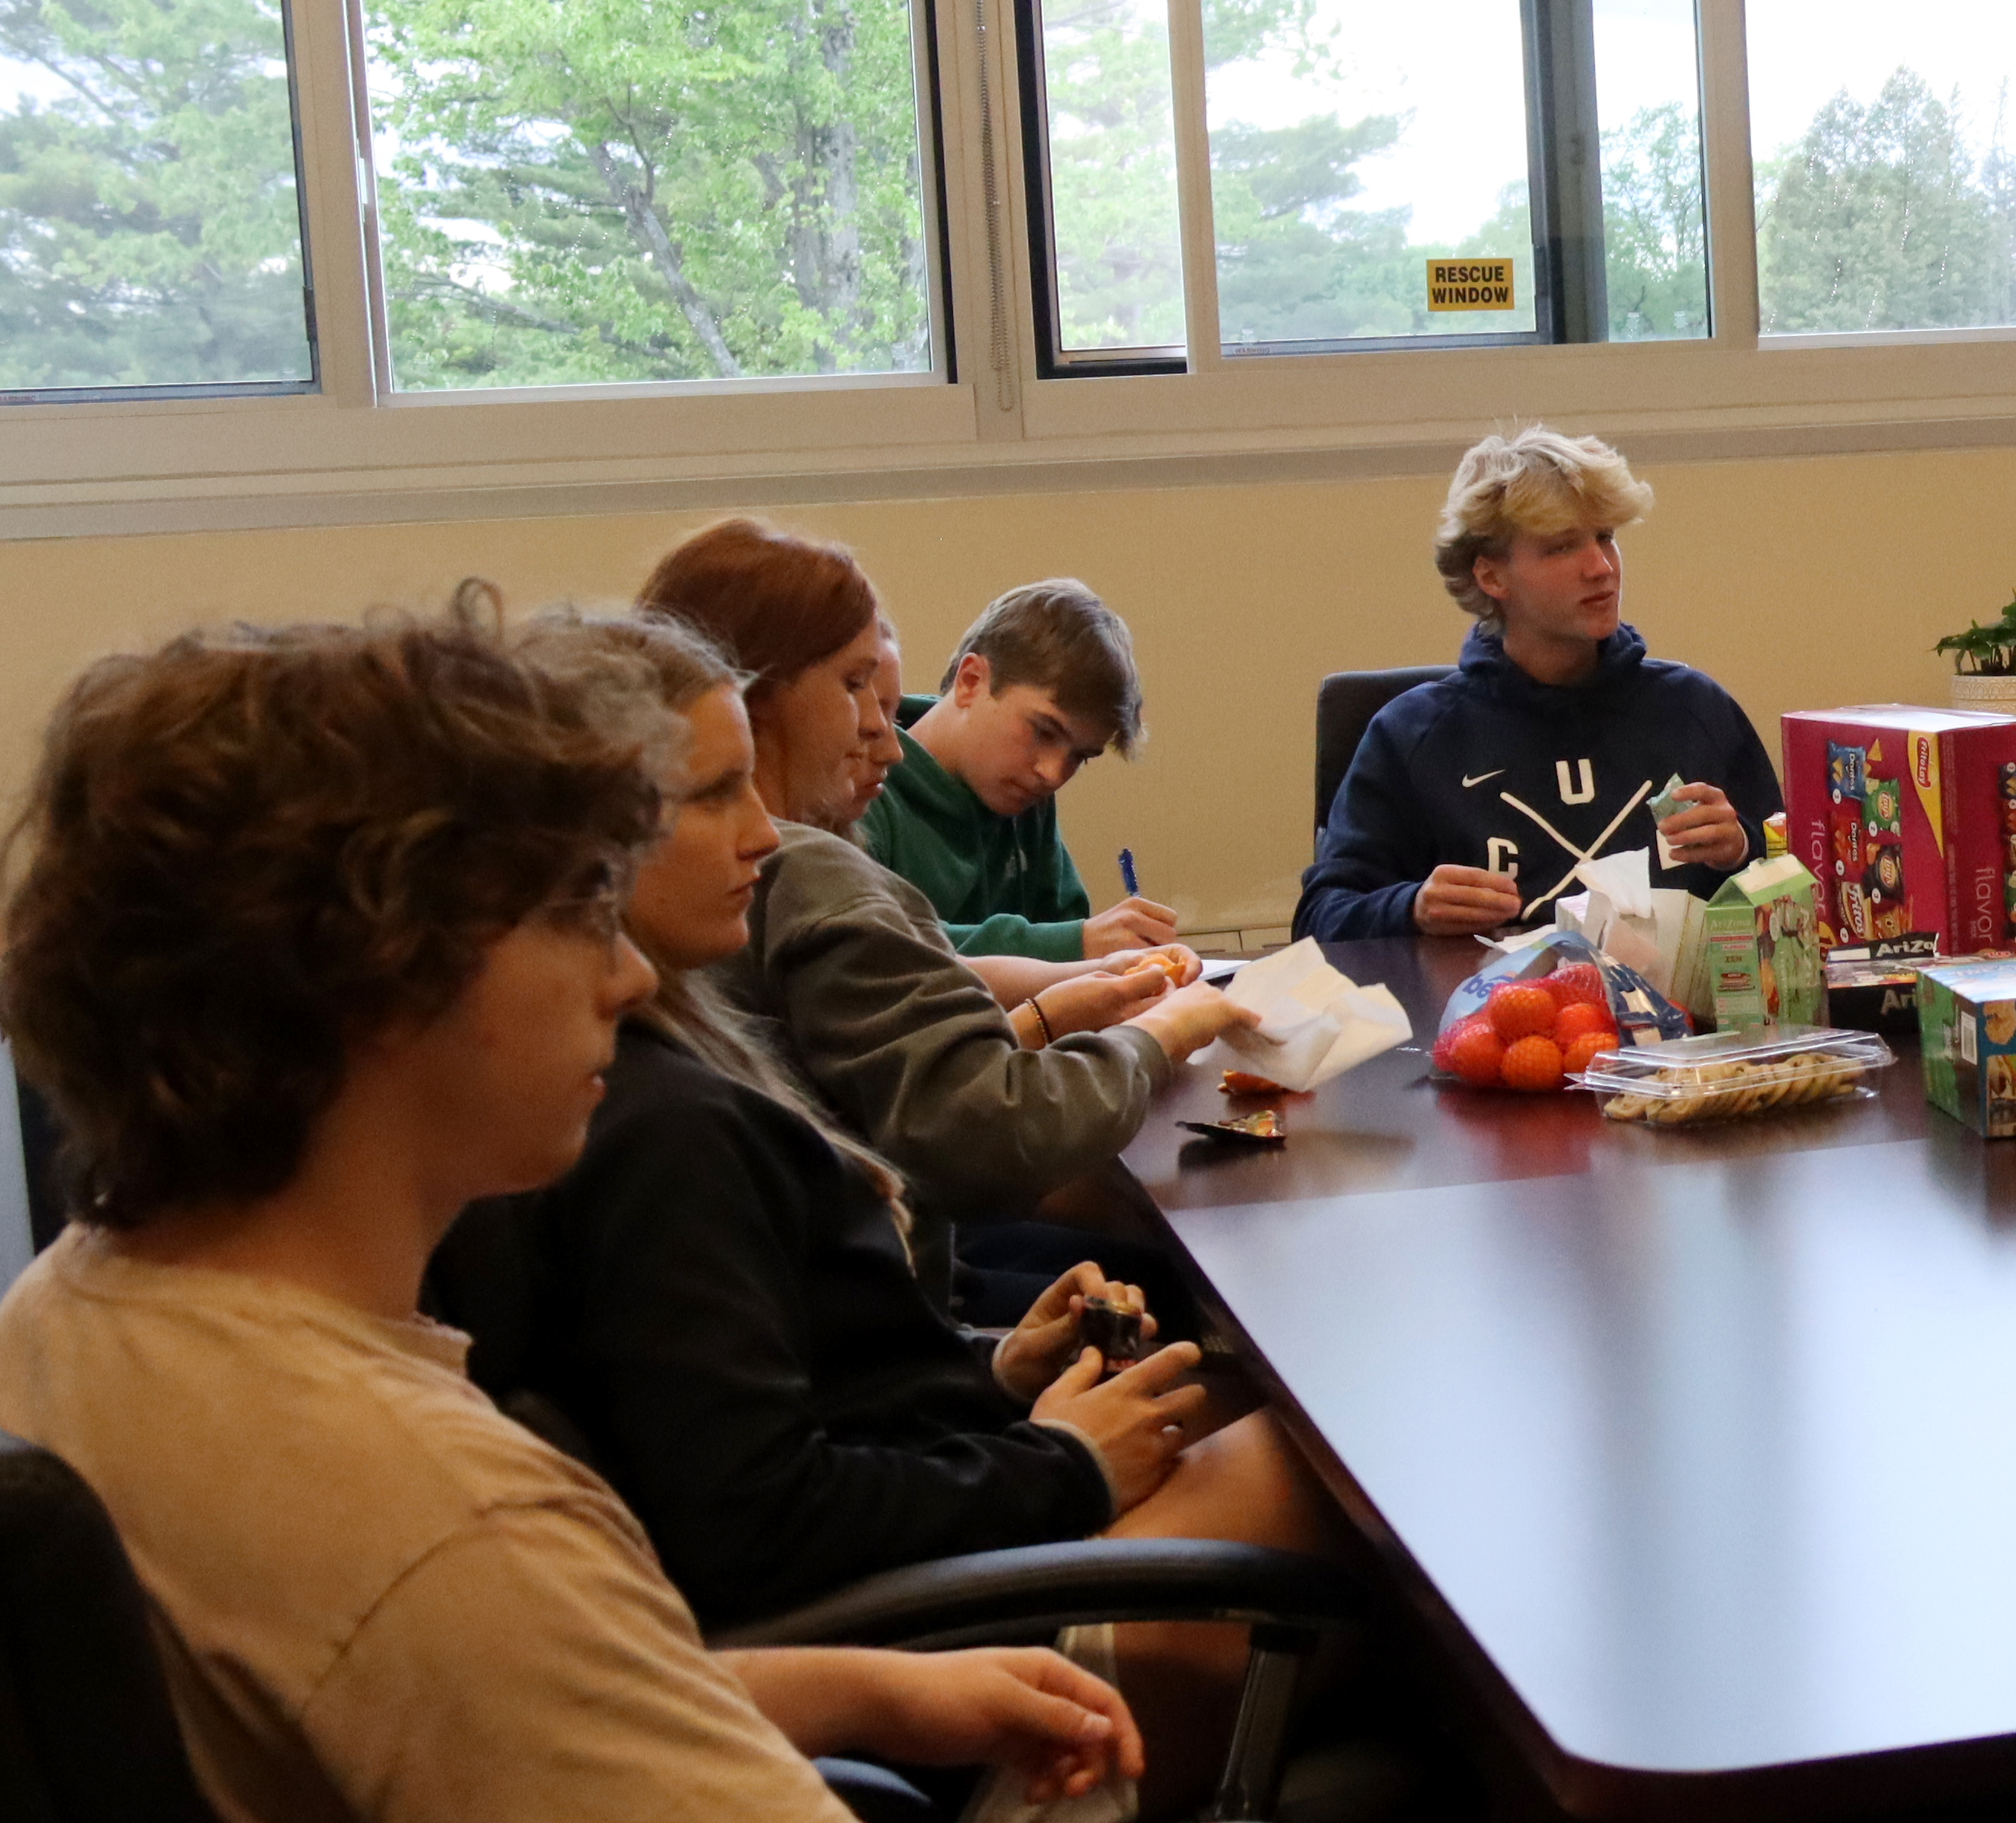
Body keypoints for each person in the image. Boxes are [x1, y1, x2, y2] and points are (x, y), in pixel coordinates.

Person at [0, 598, 1767, 1823]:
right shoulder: (419, 1503)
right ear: (384, 978)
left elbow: (408, 1729)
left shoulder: (84, 1326)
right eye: (568, 917)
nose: (618, 976)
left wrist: (842, 1682)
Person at [430, 610, 1337, 1639]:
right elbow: (752, 1523)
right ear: (594, 835)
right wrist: (1063, 1466)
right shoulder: (654, 1130)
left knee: (1232, 1397)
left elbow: (774, 1399)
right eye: (716, 793)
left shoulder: (682, 1041)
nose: (765, 833)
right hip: (921, 1651)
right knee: (1334, 1445)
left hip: (933, 1492)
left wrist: (988, 1373)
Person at [639, 516, 1244, 1317]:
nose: (883, 747)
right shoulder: (799, 865)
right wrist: (1160, 1036)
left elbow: (858, 1097)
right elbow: (987, 1135)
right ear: (759, 691)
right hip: (874, 1311)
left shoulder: (672, 877)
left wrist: (1041, 1014)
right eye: (855, 686)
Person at [1294, 427, 1780, 943]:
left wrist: (1743, 849)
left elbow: (1803, 886)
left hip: (1682, 1020)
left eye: (1606, 537)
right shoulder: (1411, 735)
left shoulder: (1695, 708)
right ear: (1492, 577)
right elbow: (1320, 918)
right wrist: (1412, 909)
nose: (1601, 568)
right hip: (1494, 1016)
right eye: (1561, 547)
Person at [863, 576, 1184, 963]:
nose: (1052, 773)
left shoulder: (1023, 797)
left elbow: (1065, 924)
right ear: (971, 681)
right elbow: (880, 950)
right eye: (1043, 731)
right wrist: (1073, 945)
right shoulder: (861, 784)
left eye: (1079, 757)